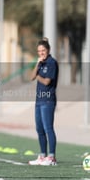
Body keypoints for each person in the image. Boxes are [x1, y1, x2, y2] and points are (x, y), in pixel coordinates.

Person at [28, 37, 58, 166]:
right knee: (39, 129)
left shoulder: (52, 63)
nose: (41, 53)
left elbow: (46, 81)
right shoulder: (41, 63)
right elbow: (31, 77)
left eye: (43, 50)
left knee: (48, 128)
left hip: (48, 100)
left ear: (48, 50)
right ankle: (42, 156)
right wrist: (37, 64)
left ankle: (51, 157)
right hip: (39, 100)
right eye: (39, 51)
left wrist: (37, 75)